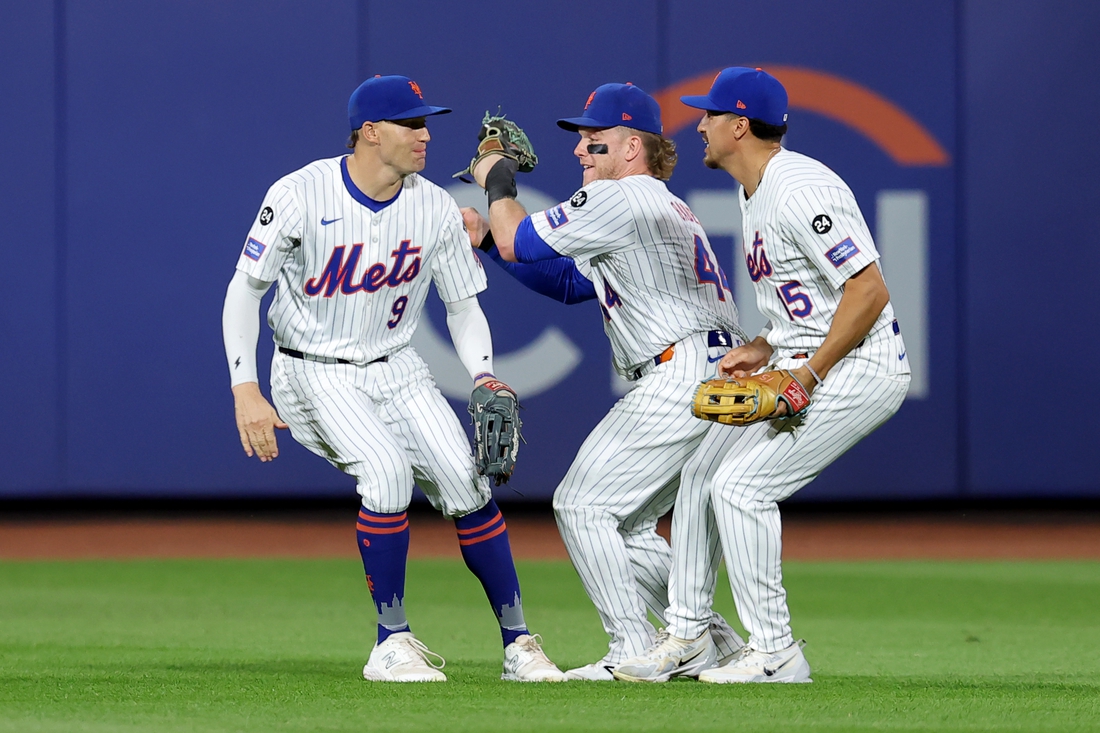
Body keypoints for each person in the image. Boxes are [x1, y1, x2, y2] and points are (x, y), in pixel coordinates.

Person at [221, 74, 564, 683]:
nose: (426, 135)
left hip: (400, 368)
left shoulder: (432, 205)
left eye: (426, 123)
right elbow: (244, 292)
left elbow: (462, 305)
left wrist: (484, 376)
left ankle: (519, 643)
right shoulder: (301, 193)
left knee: (467, 482)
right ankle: (391, 642)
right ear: (370, 133)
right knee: (385, 472)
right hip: (314, 370)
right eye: (412, 124)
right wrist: (246, 387)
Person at [613, 67, 911, 684]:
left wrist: (807, 374)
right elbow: (811, 297)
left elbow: (868, 290)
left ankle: (776, 651)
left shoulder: (799, 188)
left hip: (859, 367)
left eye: (710, 116)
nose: (699, 125)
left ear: (739, 125)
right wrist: (764, 343)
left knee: (742, 488)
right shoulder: (754, 191)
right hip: (802, 356)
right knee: (699, 474)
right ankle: (689, 638)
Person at [461, 83, 749, 681]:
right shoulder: (654, 206)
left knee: (581, 503)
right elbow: (570, 283)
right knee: (629, 523)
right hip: (708, 372)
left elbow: (520, 236)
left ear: (633, 148)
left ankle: (633, 649)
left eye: (595, 142)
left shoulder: (625, 199)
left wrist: (496, 178)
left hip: (681, 374)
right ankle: (710, 643)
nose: (580, 153)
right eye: (581, 142)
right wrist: (487, 242)